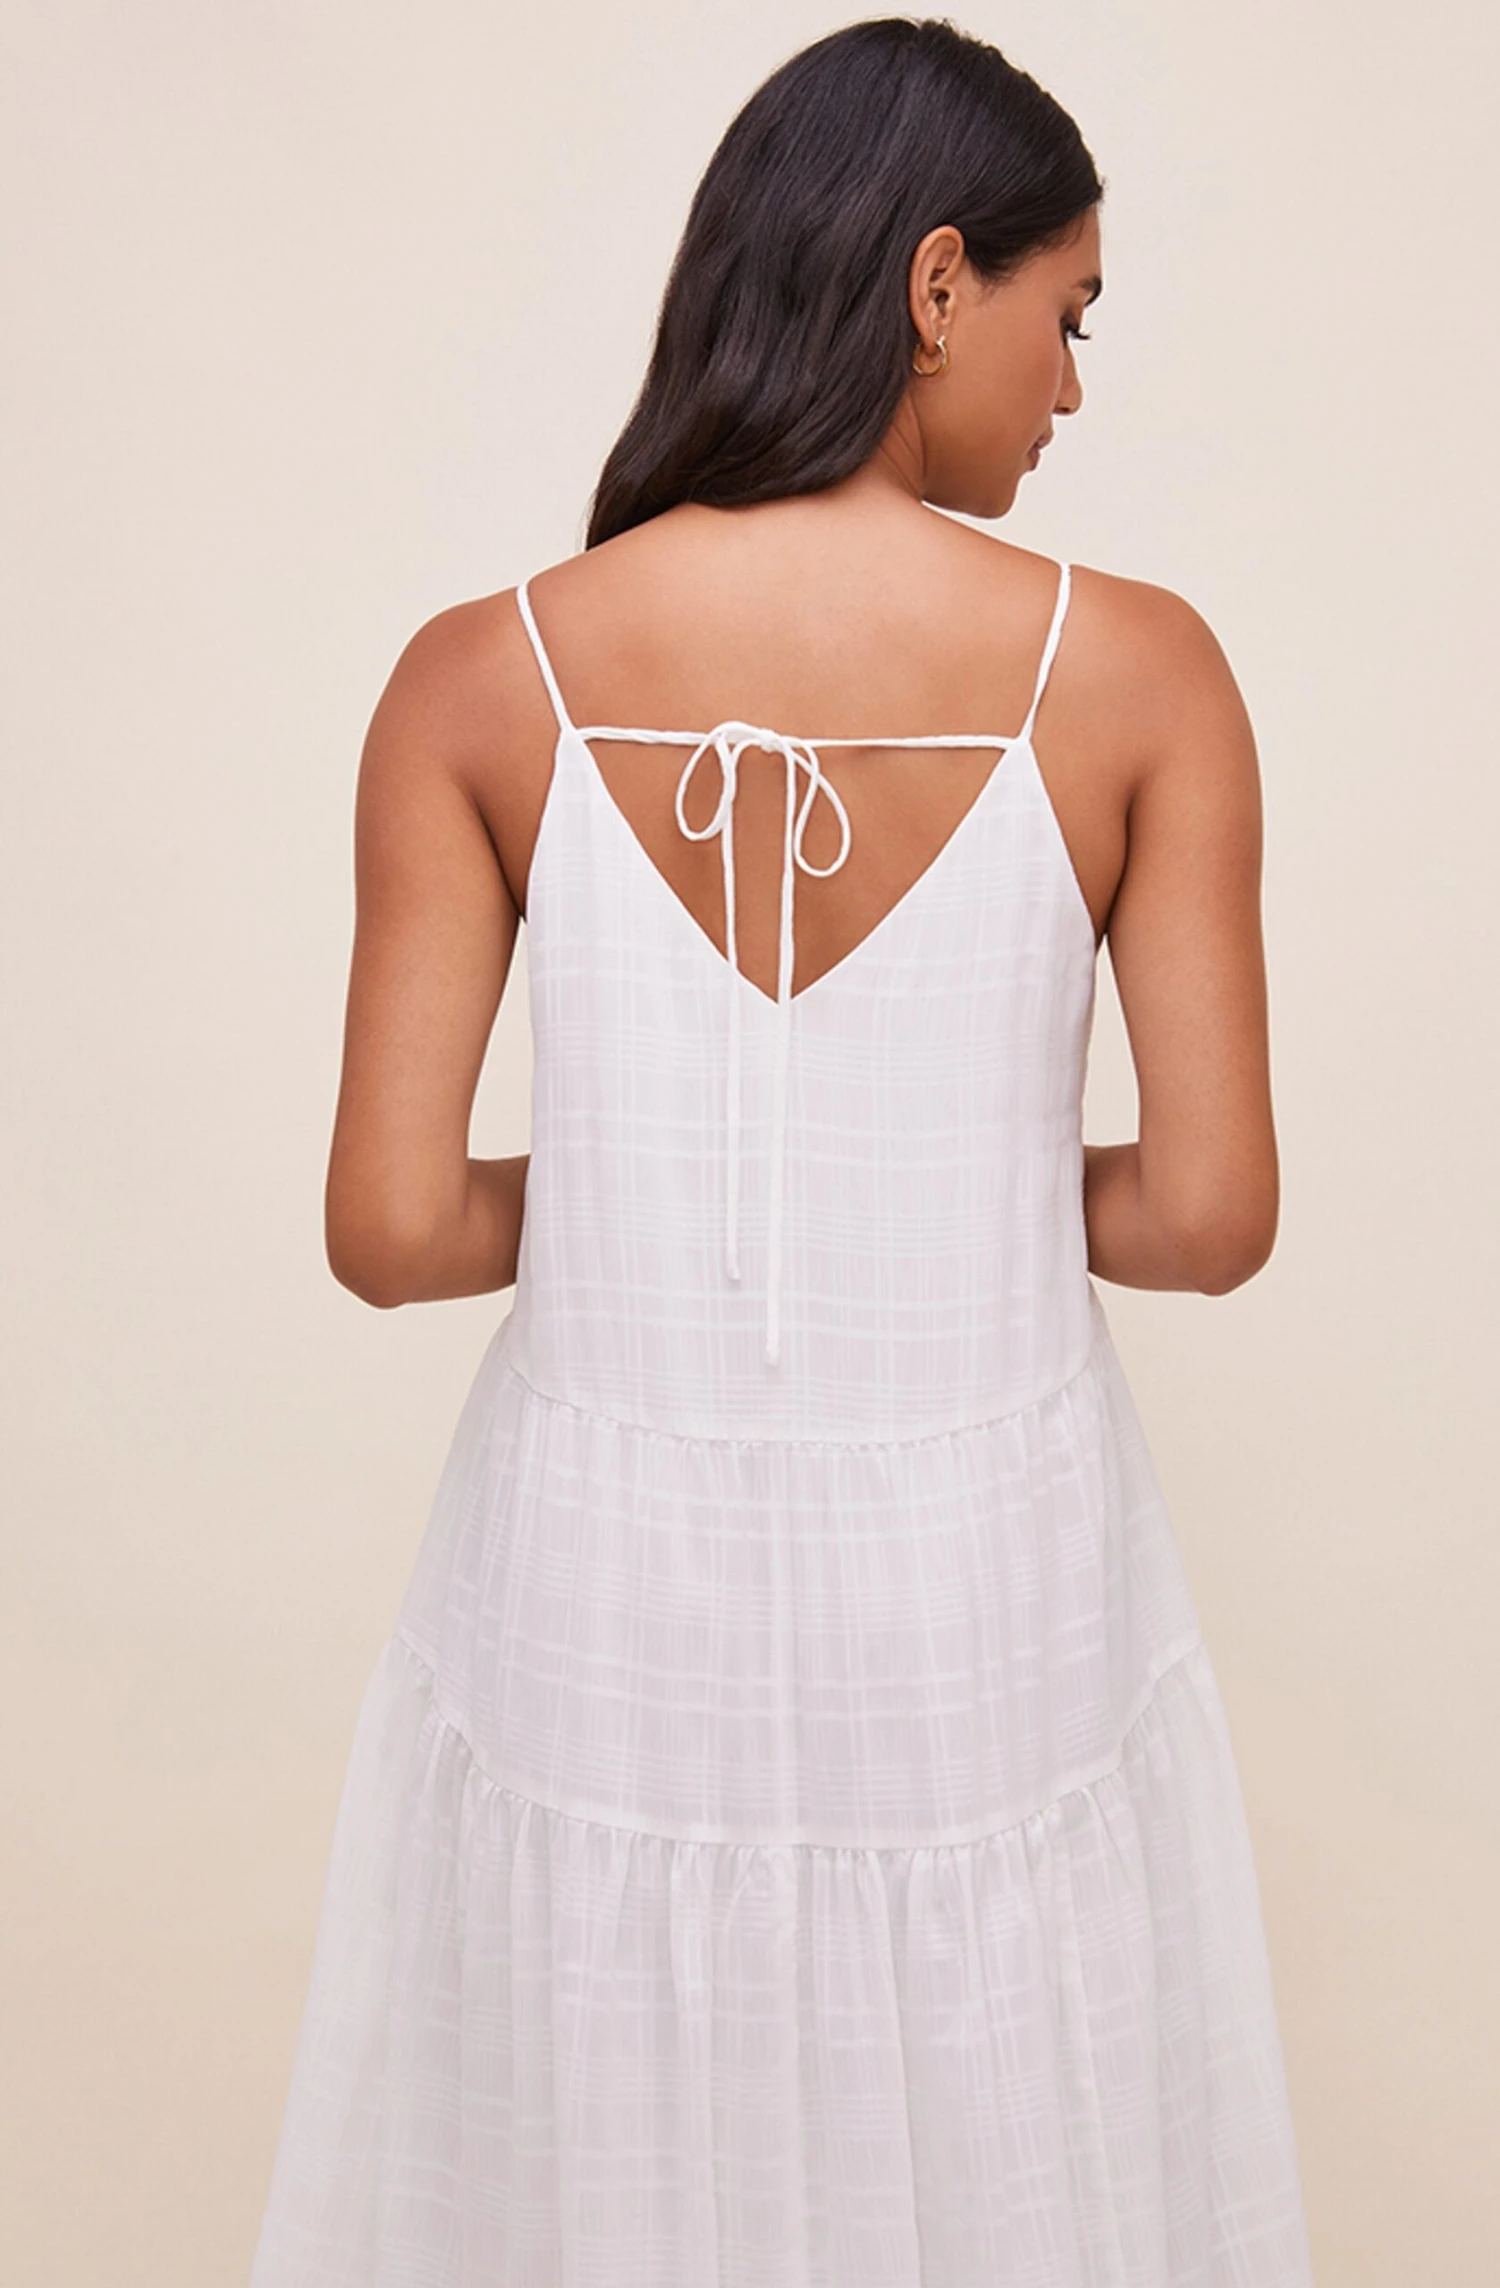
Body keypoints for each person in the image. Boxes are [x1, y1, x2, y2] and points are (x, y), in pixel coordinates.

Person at [251, 17, 1316, 2284]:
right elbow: (1212, 1214)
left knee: (608, 2134)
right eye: (1068, 314)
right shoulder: (1141, 673)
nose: (1073, 383)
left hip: (602, 1574)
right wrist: (928, 1183)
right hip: (984, 1569)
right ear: (938, 284)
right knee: (1001, 2108)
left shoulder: (480, 678)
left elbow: (393, 1226)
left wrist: (659, 1197)